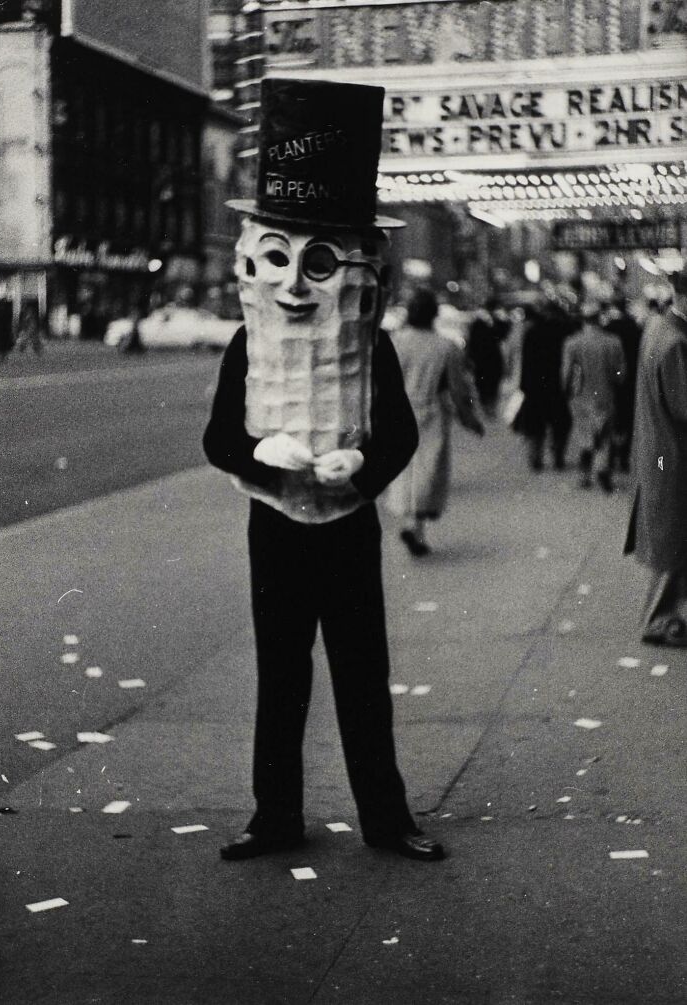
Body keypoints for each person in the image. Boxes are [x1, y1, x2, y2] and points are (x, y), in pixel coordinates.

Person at [203, 77, 445, 863]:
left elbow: (401, 433)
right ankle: (274, 814)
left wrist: (361, 464)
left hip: (346, 526)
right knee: (281, 676)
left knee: (361, 673)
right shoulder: (245, 346)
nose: (294, 284)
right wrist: (257, 454)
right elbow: (217, 438)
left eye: (318, 262)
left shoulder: (374, 346)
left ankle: (387, 818)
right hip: (273, 522)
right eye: (278, 259)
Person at [387, 287, 484, 556]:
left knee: (405, 470)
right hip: (432, 414)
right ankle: (416, 528)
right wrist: (469, 419)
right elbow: (458, 389)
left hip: (399, 413)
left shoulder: (395, 342)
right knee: (427, 471)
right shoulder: (446, 347)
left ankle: (411, 524)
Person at [624, 261, 687, 646]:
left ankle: (666, 617)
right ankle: (658, 620)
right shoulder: (676, 341)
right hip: (672, 454)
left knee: (672, 537)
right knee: (673, 540)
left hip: (658, 449)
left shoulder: (657, 328)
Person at [561, 297, 625, 492]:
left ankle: (585, 474)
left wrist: (565, 390)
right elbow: (621, 373)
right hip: (606, 395)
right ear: (599, 318)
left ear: (582, 319)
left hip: (581, 396)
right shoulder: (613, 341)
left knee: (585, 434)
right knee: (604, 434)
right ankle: (603, 467)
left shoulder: (572, 342)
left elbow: (566, 372)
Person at [518, 299, 573, 471]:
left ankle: (535, 458)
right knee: (560, 423)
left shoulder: (532, 332)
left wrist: (524, 384)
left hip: (536, 385)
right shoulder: (566, 331)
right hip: (558, 384)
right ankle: (558, 456)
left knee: (536, 424)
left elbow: (526, 362)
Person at [603, 297, 642, 473]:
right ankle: (624, 457)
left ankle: (611, 457)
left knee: (613, 420)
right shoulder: (635, 328)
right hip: (631, 380)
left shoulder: (608, 328)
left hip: (611, 381)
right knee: (627, 420)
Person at [466, 297, 508, 417]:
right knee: (486, 384)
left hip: (486, 359)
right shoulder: (482, 322)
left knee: (488, 384)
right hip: (487, 359)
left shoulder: (488, 322)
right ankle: (488, 407)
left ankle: (488, 407)